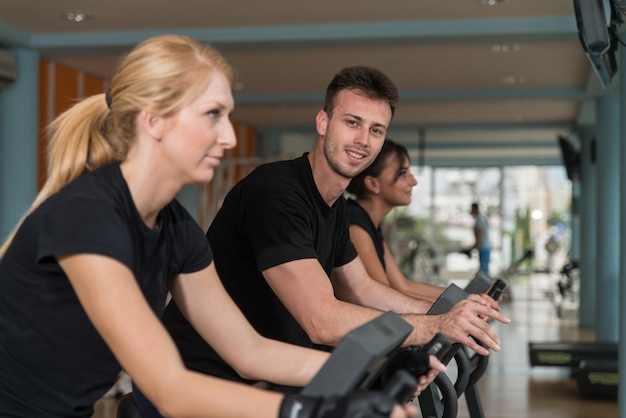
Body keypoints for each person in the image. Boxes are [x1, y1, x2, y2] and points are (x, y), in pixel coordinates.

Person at [0, 35, 415, 418]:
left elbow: (249, 351)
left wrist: (364, 381)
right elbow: (169, 388)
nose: (230, 137)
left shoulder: (176, 228)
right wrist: (314, 409)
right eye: (213, 115)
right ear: (154, 120)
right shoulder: (89, 217)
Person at [155, 65, 510, 397]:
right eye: (352, 122)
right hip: (204, 378)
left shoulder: (335, 205)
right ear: (323, 122)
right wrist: (432, 326)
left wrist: (448, 313)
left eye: (375, 130)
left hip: (267, 371)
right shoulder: (277, 193)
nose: (362, 140)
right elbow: (320, 320)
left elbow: (362, 288)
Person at [345, 139, 447, 303]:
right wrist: (458, 305)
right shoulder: (355, 225)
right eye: (402, 174)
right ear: (372, 183)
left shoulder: (369, 222)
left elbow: (403, 286)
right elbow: (383, 296)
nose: (413, 181)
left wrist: (467, 297)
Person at [469, 202, 491, 276]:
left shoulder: (479, 221)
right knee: (484, 269)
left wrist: (473, 248)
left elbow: (479, 236)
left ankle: (487, 287)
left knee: (484, 271)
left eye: (471, 209)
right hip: (484, 248)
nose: (470, 211)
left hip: (484, 248)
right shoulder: (481, 220)